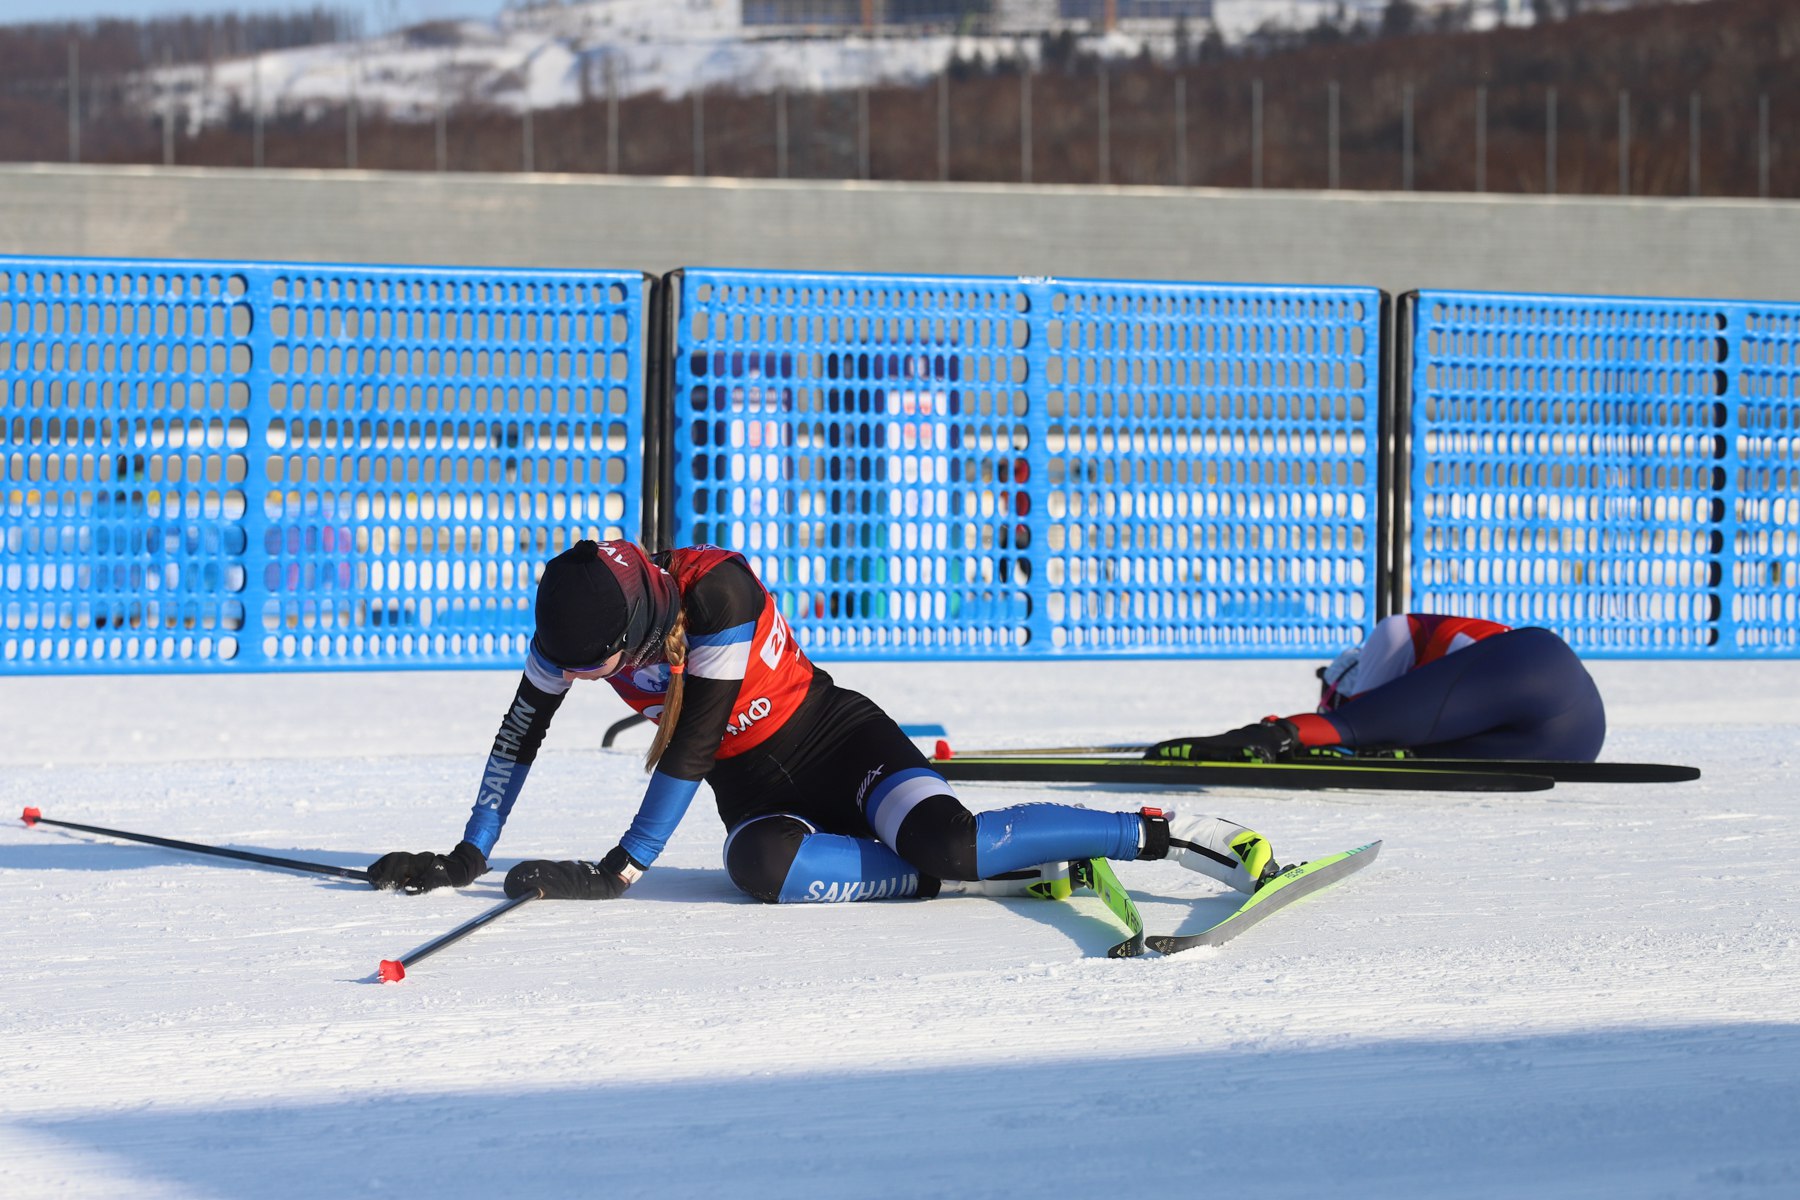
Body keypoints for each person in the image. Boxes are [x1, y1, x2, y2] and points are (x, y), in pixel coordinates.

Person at [368, 539, 1288, 903]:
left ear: (643, 625)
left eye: (597, 668)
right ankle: (988, 874)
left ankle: (1163, 832)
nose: (582, 679)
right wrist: (466, 855)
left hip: (839, 743)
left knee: (950, 841)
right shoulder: (575, 628)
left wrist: (621, 868)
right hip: (759, 793)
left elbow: (692, 741)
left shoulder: (716, 589)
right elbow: (516, 736)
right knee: (760, 869)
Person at [1149, 613, 1606, 765]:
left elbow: (1361, 715)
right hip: (1575, 738)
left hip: (1527, 667)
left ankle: (1266, 735)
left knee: (1349, 729)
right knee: (1400, 746)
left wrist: (1309, 733)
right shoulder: (1448, 658)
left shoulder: (1393, 633)